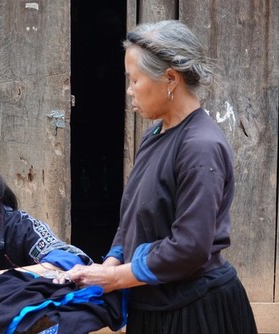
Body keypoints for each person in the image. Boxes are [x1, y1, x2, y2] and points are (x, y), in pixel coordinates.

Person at [62, 20, 258, 333]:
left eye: (134, 80)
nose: (128, 91)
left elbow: (190, 247)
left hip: (196, 313)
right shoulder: (155, 135)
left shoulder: (200, 147)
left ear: (170, 79)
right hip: (156, 307)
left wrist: (118, 278)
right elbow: (136, 216)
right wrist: (113, 261)